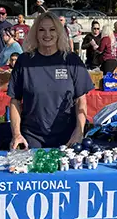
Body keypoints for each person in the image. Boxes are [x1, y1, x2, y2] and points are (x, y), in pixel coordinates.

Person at [8, 13, 94, 149]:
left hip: (67, 136)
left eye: (52, 29)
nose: (47, 34)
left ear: (59, 32)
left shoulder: (71, 61)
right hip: (32, 136)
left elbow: (81, 100)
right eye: (42, 30)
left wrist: (79, 131)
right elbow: (15, 101)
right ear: (35, 33)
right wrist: (17, 134)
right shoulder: (24, 61)